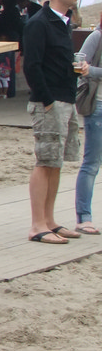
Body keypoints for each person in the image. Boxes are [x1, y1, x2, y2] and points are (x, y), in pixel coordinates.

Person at [24, 0, 83, 244]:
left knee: (56, 162)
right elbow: (32, 65)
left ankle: (49, 220)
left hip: (66, 98)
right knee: (45, 161)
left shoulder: (64, 22)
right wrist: (47, 100)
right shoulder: (39, 23)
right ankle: (37, 224)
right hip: (49, 101)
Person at [75, 21, 102, 235]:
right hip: (98, 105)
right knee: (91, 163)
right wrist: (93, 71)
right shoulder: (97, 37)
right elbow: (80, 64)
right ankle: (84, 217)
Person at [0, 0, 23, 99]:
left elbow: (7, 26)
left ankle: (7, 91)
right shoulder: (11, 11)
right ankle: (6, 90)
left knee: (6, 66)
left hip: (7, 41)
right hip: (8, 41)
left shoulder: (10, 12)